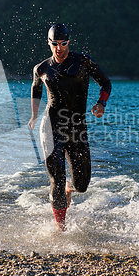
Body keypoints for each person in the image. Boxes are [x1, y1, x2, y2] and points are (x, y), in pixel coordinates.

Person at [28, 24, 111, 231]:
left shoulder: (83, 61)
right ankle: (61, 229)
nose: (59, 48)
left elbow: (106, 83)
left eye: (63, 43)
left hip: (76, 126)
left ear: (68, 42)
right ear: (49, 43)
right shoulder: (41, 68)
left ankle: (70, 188)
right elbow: (35, 89)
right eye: (55, 44)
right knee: (56, 177)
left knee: (82, 185)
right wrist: (34, 116)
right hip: (51, 125)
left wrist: (101, 104)